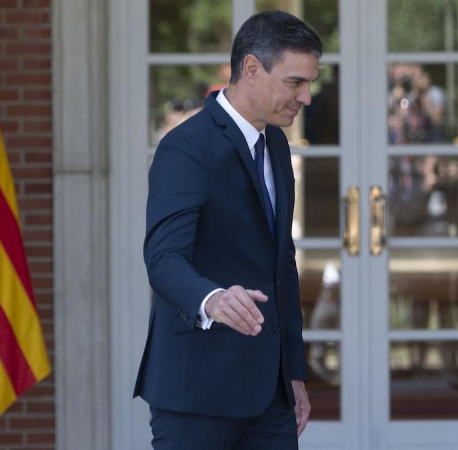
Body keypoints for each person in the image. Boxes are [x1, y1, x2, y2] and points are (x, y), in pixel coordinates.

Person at [134, 10, 322, 450]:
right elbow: (163, 259)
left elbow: (282, 265)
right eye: (296, 82)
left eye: (310, 83)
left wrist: (292, 371)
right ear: (252, 69)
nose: (307, 97)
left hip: (270, 398)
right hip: (196, 391)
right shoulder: (185, 147)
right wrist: (211, 298)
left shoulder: (276, 142)